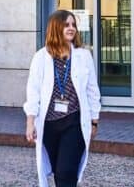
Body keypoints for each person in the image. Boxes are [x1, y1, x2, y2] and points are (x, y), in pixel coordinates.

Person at [24, 10, 101, 187]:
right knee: (59, 171)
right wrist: (30, 121)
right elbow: (33, 91)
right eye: (66, 24)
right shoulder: (41, 57)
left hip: (74, 122)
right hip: (49, 124)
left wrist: (94, 121)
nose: (71, 28)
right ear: (56, 27)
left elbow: (92, 91)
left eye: (73, 25)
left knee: (67, 170)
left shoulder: (83, 56)